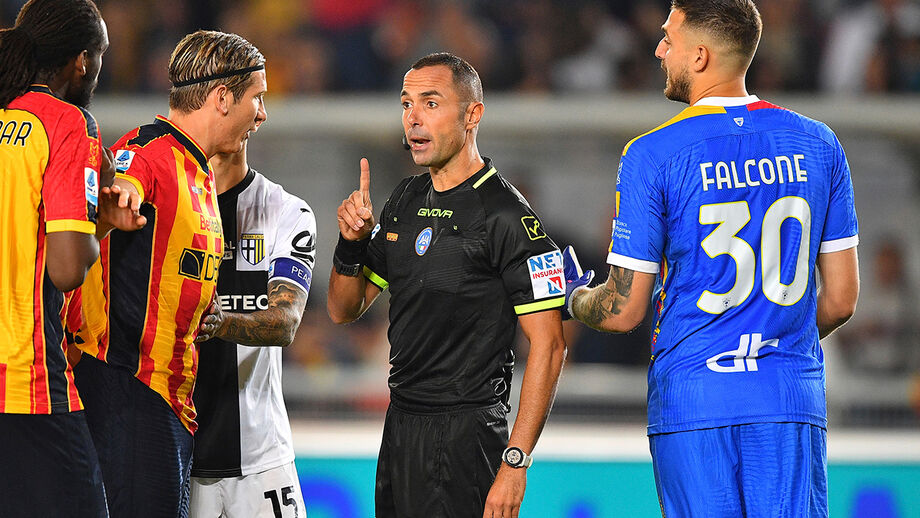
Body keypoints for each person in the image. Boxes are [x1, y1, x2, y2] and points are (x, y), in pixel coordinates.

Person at [564, 1, 860, 516]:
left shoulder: (651, 154)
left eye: (668, 39)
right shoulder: (819, 144)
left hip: (694, 401)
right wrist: (772, 339)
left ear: (699, 56)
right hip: (787, 400)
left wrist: (574, 297)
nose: (658, 50)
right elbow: (839, 300)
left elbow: (625, 308)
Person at [327, 52, 568, 518]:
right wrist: (350, 245)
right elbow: (343, 310)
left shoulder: (506, 217)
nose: (413, 118)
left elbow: (551, 345)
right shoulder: (405, 198)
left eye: (431, 103)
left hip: (467, 435)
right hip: (399, 425)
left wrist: (515, 463)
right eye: (406, 104)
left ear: (472, 114)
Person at [71, 30, 268, 518]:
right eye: (256, 99)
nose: (261, 114)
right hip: (126, 389)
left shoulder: (198, 172)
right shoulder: (149, 150)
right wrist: (116, 198)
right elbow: (120, 185)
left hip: (167, 401)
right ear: (222, 98)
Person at [0, 1, 147, 516]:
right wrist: (94, 225)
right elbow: (65, 268)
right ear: (81, 62)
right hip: (24, 380)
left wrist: (99, 222)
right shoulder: (66, 124)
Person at [189, 139, 313, 518]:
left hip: (263, 462)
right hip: (178, 455)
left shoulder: (286, 211)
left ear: (257, 115)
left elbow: (286, 322)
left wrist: (221, 322)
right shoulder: (168, 208)